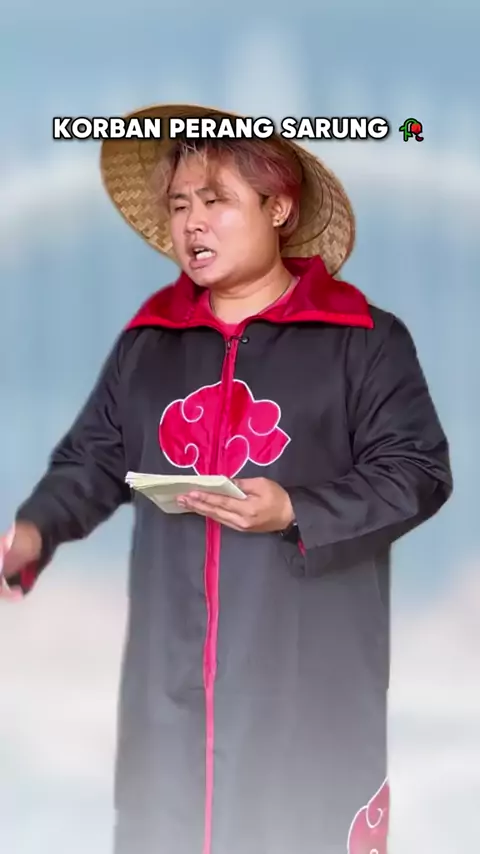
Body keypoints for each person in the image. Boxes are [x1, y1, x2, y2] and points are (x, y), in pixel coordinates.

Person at [0, 103, 453, 854]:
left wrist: (297, 510)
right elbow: (92, 457)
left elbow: (417, 472)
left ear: (279, 208)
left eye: (216, 201)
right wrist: (34, 530)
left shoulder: (363, 341)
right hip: (169, 678)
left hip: (306, 678)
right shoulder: (150, 344)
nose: (192, 224)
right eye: (180, 205)